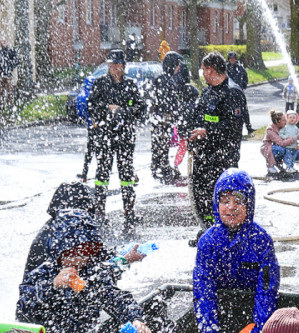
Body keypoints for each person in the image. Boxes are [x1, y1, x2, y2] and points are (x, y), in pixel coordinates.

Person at [15, 200, 152, 333]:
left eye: (87, 252)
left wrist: (135, 319)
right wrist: (52, 286)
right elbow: (25, 307)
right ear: (59, 250)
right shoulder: (44, 273)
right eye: (73, 253)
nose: (80, 259)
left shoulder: (91, 274)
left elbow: (115, 297)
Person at [193, 169, 280, 333]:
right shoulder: (208, 242)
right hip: (222, 311)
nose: (231, 207)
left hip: (251, 315)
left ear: (249, 205)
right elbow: (203, 289)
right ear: (217, 204)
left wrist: (258, 330)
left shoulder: (261, 240)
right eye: (225, 202)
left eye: (238, 202)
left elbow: (267, 289)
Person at [187, 52, 246, 244]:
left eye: (204, 70)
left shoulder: (232, 92)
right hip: (204, 154)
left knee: (222, 196)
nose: (203, 74)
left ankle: (224, 234)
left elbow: (234, 126)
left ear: (210, 69)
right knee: (201, 193)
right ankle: (207, 230)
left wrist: (208, 131)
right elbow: (198, 117)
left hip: (223, 156)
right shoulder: (208, 91)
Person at [90, 49, 147, 230]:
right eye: (111, 64)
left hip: (125, 136)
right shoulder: (100, 84)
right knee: (102, 174)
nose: (113, 67)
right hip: (105, 135)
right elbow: (91, 106)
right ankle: (99, 212)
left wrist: (123, 110)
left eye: (116, 64)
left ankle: (129, 212)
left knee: (126, 175)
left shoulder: (130, 85)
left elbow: (141, 109)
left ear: (123, 66)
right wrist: (106, 109)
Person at [149, 51, 189, 185]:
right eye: (177, 65)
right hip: (163, 119)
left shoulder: (164, 79)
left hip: (160, 119)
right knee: (162, 144)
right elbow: (166, 102)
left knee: (160, 144)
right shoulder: (166, 80)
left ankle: (159, 166)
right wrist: (174, 114)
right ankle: (161, 168)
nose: (179, 68)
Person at [260, 110, 299, 177]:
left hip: (284, 147)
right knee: (280, 150)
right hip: (270, 148)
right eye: (283, 120)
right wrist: (295, 138)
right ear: (277, 122)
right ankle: (272, 165)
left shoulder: (285, 127)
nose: (286, 121)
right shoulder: (270, 130)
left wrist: (298, 144)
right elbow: (281, 143)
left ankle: (287, 164)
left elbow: (293, 136)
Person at [225, 51, 253, 134]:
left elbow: (245, 78)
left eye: (233, 58)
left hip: (240, 92)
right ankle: (233, 129)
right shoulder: (225, 68)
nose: (232, 60)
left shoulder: (240, 68)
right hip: (230, 92)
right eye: (231, 58)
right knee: (232, 111)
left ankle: (249, 127)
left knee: (244, 110)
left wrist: (244, 87)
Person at [0, 40, 19, 107]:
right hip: (0, 75)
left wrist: (10, 66)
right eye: (2, 41)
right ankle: (2, 104)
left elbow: (16, 60)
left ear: (7, 42)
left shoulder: (10, 51)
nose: (3, 43)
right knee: (1, 90)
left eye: (5, 41)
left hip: (8, 74)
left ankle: (11, 104)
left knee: (10, 90)